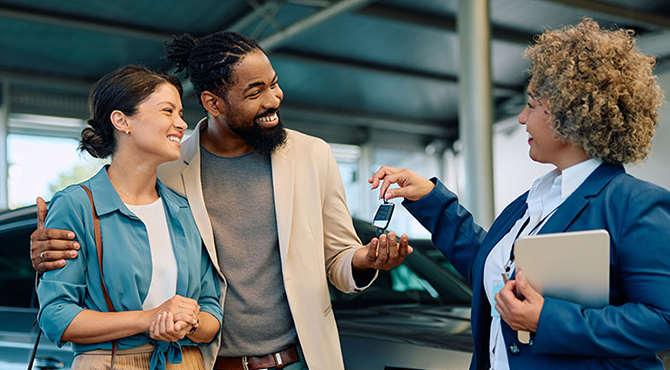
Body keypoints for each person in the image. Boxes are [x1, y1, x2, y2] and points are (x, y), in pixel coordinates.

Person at [31, 32, 411, 370]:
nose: (274, 99)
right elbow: (116, 208)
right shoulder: (169, 166)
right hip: (208, 361)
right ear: (213, 103)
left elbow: (338, 259)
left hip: (298, 358)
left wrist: (363, 261)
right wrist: (48, 245)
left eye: (274, 85)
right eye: (254, 92)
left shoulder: (313, 156)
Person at [368, 18, 670, 370]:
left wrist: (546, 319)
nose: (522, 118)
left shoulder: (637, 205)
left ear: (571, 115)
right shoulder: (534, 200)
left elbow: (666, 321)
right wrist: (427, 197)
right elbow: (490, 267)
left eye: (532, 104)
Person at [36, 65, 223, 369]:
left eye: (180, 113)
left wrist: (187, 322)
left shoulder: (184, 211)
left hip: (185, 362)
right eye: (168, 111)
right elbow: (57, 316)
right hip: (110, 362)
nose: (181, 124)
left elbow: (212, 312)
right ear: (122, 121)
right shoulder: (77, 205)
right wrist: (148, 319)